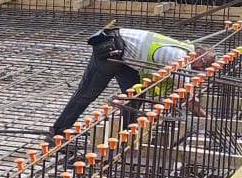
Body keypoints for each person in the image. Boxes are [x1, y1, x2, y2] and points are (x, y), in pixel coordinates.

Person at [49, 25, 215, 137]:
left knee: (134, 96)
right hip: (110, 51)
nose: (200, 70)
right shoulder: (177, 56)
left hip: (126, 58)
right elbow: (186, 94)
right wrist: (207, 119)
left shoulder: (185, 52)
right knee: (87, 94)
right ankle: (59, 131)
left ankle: (128, 133)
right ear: (198, 52)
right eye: (203, 64)